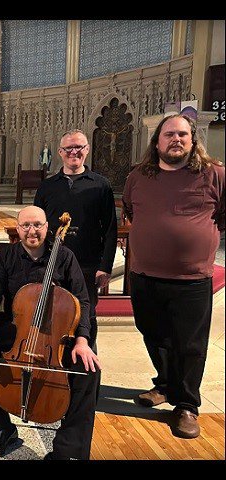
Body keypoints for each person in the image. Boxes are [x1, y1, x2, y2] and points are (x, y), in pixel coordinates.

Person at [0, 206, 100, 460]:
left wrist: (82, 340)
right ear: (18, 229)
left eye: (37, 225)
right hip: (20, 331)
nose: (32, 231)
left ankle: (67, 449)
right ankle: (5, 429)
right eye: (26, 225)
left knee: (89, 371)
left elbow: (83, 301)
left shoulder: (65, 256)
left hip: (58, 333)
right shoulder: (7, 257)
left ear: (47, 228)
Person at [123, 114, 225, 439]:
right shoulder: (138, 176)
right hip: (144, 274)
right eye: (169, 134)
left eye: (182, 134)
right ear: (157, 141)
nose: (176, 139)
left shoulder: (214, 174)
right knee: (152, 334)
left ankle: (186, 405)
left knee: (190, 345)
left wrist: (197, 240)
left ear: (193, 140)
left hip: (192, 279)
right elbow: (130, 211)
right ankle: (165, 385)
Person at [34, 129, 117, 361]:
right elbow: (37, 225)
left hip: (88, 262)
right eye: (69, 148)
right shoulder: (47, 187)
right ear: (60, 152)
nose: (74, 152)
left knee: (86, 315)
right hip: (52, 262)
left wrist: (106, 266)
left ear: (87, 150)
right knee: (51, 313)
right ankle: (54, 361)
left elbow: (110, 228)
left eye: (79, 147)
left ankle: (84, 362)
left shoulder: (100, 185)